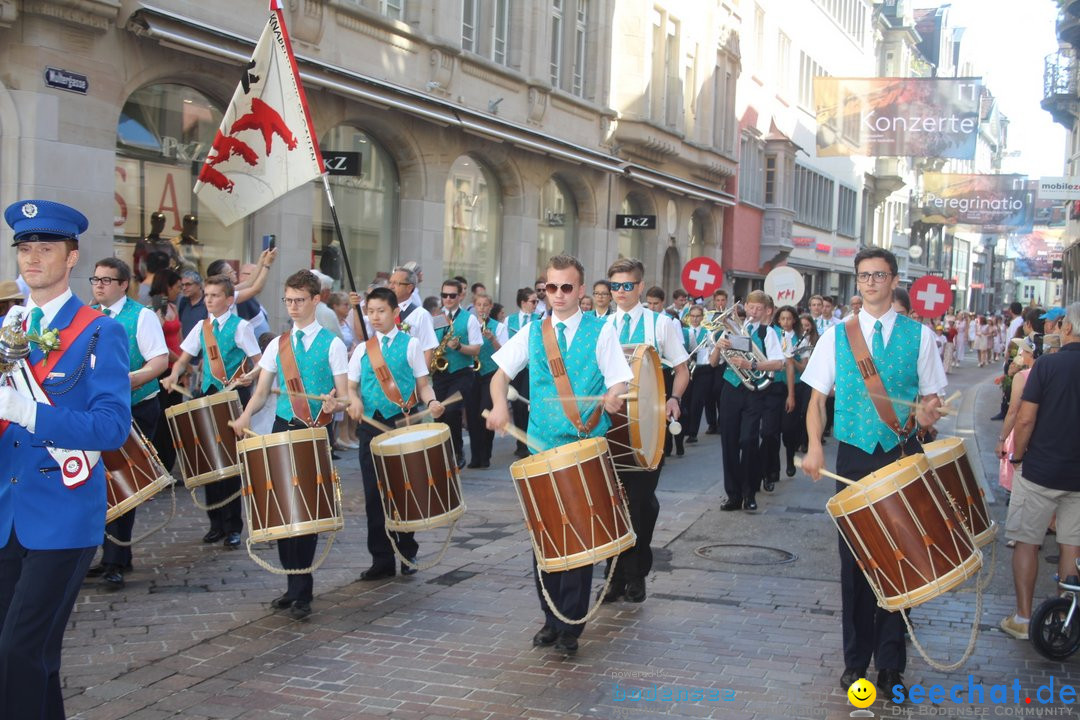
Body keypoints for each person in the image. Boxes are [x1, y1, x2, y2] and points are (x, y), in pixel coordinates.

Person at [0, 199, 131, 716]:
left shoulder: (100, 331)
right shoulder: (9, 327)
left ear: (72, 257)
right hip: (8, 510)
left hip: (63, 512)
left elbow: (111, 427)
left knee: (16, 650)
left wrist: (29, 412)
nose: (33, 258)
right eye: (25, 248)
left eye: (46, 248)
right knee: (34, 656)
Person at [802, 247, 946, 697]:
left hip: (901, 456)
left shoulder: (920, 337)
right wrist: (812, 447)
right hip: (855, 457)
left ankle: (890, 663)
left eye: (878, 275)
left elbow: (932, 400)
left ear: (893, 279)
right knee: (856, 562)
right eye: (863, 276)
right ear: (857, 281)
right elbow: (816, 400)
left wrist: (928, 416)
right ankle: (855, 660)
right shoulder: (835, 336)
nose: (869, 283)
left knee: (901, 558)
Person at [486, 254, 632, 655]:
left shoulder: (601, 332)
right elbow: (500, 376)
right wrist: (499, 406)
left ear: (581, 291)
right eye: (551, 288)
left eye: (567, 287)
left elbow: (619, 378)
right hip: (540, 448)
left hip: (584, 448)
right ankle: (551, 617)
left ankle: (571, 624)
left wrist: (614, 395)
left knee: (580, 540)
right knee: (546, 536)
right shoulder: (533, 332)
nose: (559, 295)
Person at [230, 270, 348, 620]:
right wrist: (244, 417)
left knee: (307, 512)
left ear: (315, 300)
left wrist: (334, 404)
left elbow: (343, 395)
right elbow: (262, 390)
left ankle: (303, 591)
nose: (293, 307)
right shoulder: (278, 344)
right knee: (284, 509)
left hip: (315, 432)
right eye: (288, 301)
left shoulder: (334, 343)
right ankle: (291, 584)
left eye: (299, 301)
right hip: (284, 428)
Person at [346, 287, 444, 581]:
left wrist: (432, 402)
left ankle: (407, 551)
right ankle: (381, 559)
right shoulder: (363, 349)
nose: (375, 317)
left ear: (394, 313)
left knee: (403, 491)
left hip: (401, 425)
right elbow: (351, 387)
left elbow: (423, 384)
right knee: (374, 495)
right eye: (370, 311)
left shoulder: (411, 345)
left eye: (381, 311)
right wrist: (355, 400)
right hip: (370, 428)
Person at [605, 260, 689, 601]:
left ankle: (636, 574)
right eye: (615, 286)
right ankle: (612, 576)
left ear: (641, 287)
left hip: (649, 428)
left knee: (639, 502)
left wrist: (674, 399)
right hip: (609, 428)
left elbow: (682, 369)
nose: (621, 292)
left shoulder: (662, 324)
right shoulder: (602, 326)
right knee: (612, 503)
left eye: (628, 285)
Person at [87, 257, 169, 589]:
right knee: (99, 480)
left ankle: (114, 560)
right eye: (96, 279)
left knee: (123, 480)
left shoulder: (142, 316)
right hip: (99, 409)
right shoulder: (89, 315)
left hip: (135, 406)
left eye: (107, 280)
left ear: (123, 285)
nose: (99, 285)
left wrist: (130, 379)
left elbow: (160, 361)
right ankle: (116, 554)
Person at [1000, 303, 1080, 641]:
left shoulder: (1048, 365)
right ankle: (1065, 616)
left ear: (1065, 328)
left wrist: (1017, 456)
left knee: (1026, 542)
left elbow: (1026, 417)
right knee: (1071, 546)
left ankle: (1022, 617)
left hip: (1040, 471)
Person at [163, 274, 261, 547]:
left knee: (229, 463)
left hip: (233, 397)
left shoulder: (241, 327)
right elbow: (183, 359)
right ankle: (215, 523)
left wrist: (250, 376)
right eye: (207, 295)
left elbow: (260, 362)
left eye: (215, 295)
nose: (209, 299)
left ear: (229, 300)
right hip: (208, 395)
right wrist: (173, 376)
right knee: (209, 461)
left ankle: (233, 526)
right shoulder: (201, 327)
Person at [709, 290, 785, 512]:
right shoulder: (729, 331)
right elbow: (713, 363)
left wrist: (752, 365)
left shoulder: (767, 332)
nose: (753, 312)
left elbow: (778, 364)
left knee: (748, 441)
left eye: (758, 309)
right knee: (729, 443)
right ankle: (733, 495)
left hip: (754, 391)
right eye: (751, 307)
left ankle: (749, 492)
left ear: (765, 311)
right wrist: (717, 345)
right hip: (730, 389)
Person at [432, 279, 482, 469]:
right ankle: (441, 454)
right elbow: (430, 343)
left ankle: (457, 452)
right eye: (444, 295)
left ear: (460, 296)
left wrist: (460, 346)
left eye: (452, 295)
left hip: (462, 373)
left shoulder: (469, 318)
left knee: (452, 412)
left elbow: (476, 349)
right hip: (440, 372)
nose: (448, 299)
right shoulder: (436, 318)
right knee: (439, 414)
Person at [465, 293, 507, 468]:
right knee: (473, 416)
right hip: (472, 373)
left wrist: (493, 339)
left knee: (485, 412)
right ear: (474, 306)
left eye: (485, 305)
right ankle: (475, 457)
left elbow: (505, 353)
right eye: (479, 305)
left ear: (490, 307)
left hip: (490, 375)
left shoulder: (498, 327)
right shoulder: (469, 324)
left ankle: (485, 455)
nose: (481, 308)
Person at [996, 336, 1035, 499]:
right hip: (1040, 435)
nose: (1020, 354)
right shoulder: (1050, 373)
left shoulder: (1024, 376)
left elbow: (1013, 411)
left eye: (1023, 350)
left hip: (1021, 430)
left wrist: (1001, 439)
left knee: (1017, 480)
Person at [506, 288, 539, 459]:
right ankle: (520, 443)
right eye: (533, 301)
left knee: (526, 403)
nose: (536, 305)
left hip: (530, 368)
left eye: (536, 301)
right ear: (523, 302)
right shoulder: (509, 320)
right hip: (515, 367)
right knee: (516, 404)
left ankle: (528, 442)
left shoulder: (540, 319)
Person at [682, 304, 712, 443]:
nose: (694, 319)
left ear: (702, 317)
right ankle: (685, 428)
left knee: (697, 401)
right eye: (692, 316)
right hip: (687, 369)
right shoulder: (684, 332)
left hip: (702, 369)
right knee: (686, 399)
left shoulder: (708, 333)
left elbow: (710, 350)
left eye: (697, 316)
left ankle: (693, 432)